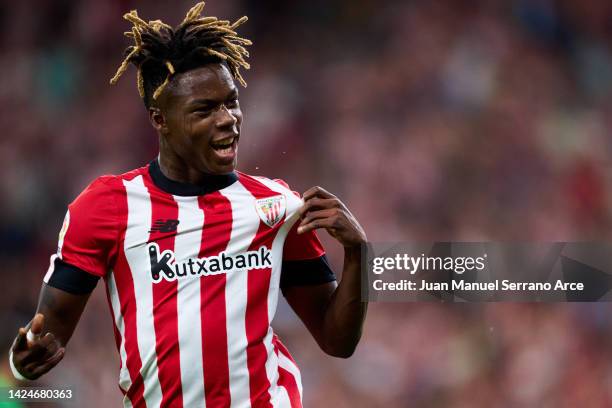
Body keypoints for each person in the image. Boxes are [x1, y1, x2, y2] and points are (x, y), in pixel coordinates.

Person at [8, 3, 368, 407]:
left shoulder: (275, 206)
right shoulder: (106, 208)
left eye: (231, 102)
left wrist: (357, 254)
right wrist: (23, 364)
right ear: (160, 119)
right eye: (205, 109)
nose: (228, 118)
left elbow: (337, 341)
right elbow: (46, 335)